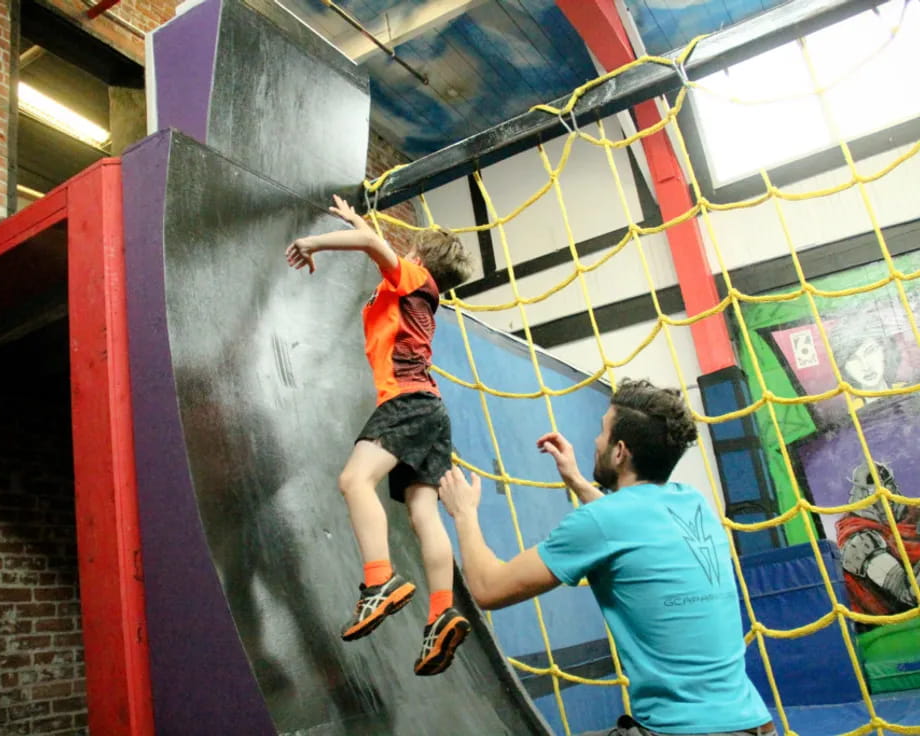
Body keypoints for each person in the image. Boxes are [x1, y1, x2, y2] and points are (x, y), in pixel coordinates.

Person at [439, 379, 776, 735]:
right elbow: (629, 529)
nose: (595, 441)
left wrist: (464, 513)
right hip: (754, 725)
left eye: (602, 432)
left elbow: (488, 588)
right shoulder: (693, 505)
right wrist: (578, 481)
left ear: (620, 452)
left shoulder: (602, 523)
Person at [286, 195, 474, 676]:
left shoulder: (412, 277)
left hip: (406, 402)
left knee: (354, 481)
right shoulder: (420, 290)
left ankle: (379, 582)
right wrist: (356, 219)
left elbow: (372, 245)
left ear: (417, 258)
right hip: (432, 410)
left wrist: (313, 242)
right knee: (423, 513)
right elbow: (372, 238)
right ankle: (440, 613)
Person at [836, 460, 920, 621]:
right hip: (893, 624)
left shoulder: (911, 513)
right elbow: (909, 593)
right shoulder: (859, 539)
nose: (886, 500)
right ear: (863, 495)